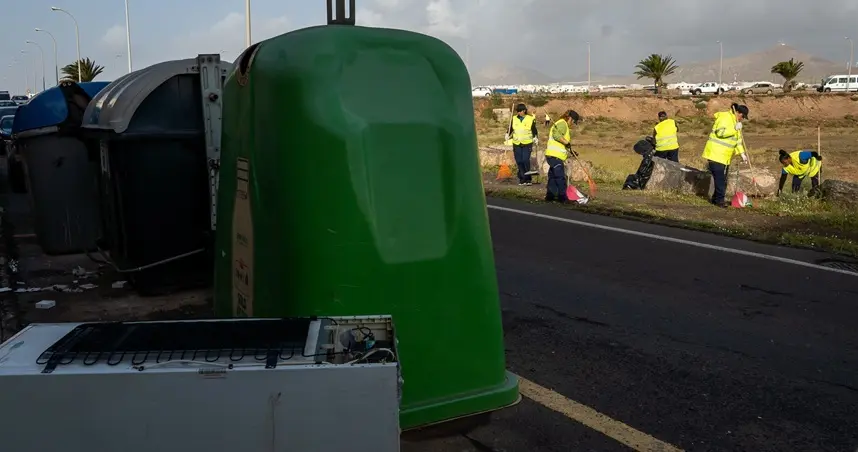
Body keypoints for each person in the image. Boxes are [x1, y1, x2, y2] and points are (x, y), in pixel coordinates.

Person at [702, 103, 750, 208]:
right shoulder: (725, 117)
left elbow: (737, 141)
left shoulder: (736, 122)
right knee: (720, 180)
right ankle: (720, 201)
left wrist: (742, 153)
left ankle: (716, 199)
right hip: (716, 154)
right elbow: (720, 132)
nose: (742, 119)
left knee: (722, 179)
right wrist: (734, 129)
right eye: (742, 116)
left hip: (725, 157)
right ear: (738, 113)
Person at [544, 110, 581, 202]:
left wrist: (571, 151)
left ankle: (550, 196)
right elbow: (556, 135)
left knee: (553, 177)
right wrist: (566, 142)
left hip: (552, 155)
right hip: (555, 156)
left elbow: (561, 143)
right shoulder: (562, 124)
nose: (572, 124)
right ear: (570, 119)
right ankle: (563, 197)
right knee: (560, 177)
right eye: (573, 122)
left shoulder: (562, 124)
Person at [505, 103, 539, 185]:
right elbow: (510, 128)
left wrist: (535, 137)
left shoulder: (530, 119)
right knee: (519, 161)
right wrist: (507, 134)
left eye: (520, 111)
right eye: (517, 111)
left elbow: (534, 130)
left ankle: (528, 179)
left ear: (524, 111)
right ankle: (522, 179)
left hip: (527, 143)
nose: (518, 113)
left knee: (525, 160)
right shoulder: (514, 118)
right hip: (516, 143)